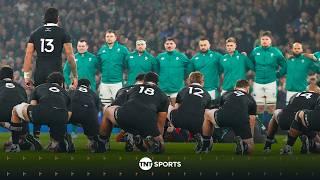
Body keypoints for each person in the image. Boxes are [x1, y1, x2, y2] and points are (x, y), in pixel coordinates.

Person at [23, 7, 78, 139]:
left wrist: (26, 76)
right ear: (57, 19)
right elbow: (70, 56)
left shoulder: (35, 33)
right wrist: (75, 75)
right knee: (59, 101)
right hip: (56, 73)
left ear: (44, 19)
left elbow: (29, 54)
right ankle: (59, 135)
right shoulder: (63, 33)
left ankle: (35, 133)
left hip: (40, 72)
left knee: (37, 100)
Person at [99, 72, 169, 153]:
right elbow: (160, 123)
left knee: (108, 111)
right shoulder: (163, 96)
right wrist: (157, 136)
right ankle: (142, 143)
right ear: (158, 83)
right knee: (160, 148)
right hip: (147, 121)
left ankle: (102, 143)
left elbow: (120, 104)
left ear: (144, 81)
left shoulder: (134, 88)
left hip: (127, 115)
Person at [5, 72, 74, 153]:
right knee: (57, 124)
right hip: (60, 117)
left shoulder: (39, 87)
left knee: (16, 110)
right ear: (62, 83)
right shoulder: (66, 93)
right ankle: (57, 142)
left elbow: (33, 105)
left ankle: (16, 143)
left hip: (40, 113)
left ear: (47, 82)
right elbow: (68, 116)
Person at [201, 80, 257, 155]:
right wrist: (250, 138)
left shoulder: (227, 94)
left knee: (207, 113)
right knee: (250, 150)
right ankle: (245, 145)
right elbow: (252, 119)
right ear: (248, 88)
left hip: (224, 117)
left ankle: (206, 145)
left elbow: (215, 106)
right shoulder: (251, 99)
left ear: (235, 87)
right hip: (241, 120)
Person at [167, 72, 211, 152]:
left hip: (180, 121)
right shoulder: (207, 94)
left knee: (168, 106)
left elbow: (177, 108)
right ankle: (204, 139)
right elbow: (206, 114)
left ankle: (173, 129)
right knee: (207, 116)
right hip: (198, 124)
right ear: (202, 81)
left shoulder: (183, 90)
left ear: (189, 81)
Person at [249, 31, 286, 122]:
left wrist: (278, 74)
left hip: (271, 82)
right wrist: (256, 70)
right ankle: (260, 130)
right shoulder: (255, 51)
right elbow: (250, 63)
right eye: (263, 39)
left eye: (266, 39)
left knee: (271, 107)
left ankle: (270, 130)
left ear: (270, 41)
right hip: (258, 82)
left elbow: (285, 65)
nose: (264, 41)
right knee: (259, 107)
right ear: (260, 40)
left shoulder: (276, 52)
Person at [68, 79, 105, 153]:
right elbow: (97, 111)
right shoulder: (94, 94)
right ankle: (93, 140)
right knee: (91, 122)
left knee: (59, 119)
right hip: (90, 117)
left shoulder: (71, 92)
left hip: (73, 116)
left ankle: (62, 139)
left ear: (78, 86)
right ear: (89, 86)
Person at [97, 30, 129, 106]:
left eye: (111, 36)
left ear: (115, 38)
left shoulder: (123, 49)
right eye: (107, 36)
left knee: (118, 105)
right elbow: (99, 65)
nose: (109, 38)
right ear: (105, 38)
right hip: (104, 82)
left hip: (117, 82)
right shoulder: (102, 50)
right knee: (105, 105)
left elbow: (126, 64)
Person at [156, 38, 191, 105]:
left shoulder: (181, 56)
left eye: (171, 44)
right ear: (164, 45)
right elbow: (156, 70)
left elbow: (189, 67)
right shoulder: (159, 57)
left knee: (176, 110)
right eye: (167, 44)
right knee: (162, 111)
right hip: (163, 88)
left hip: (177, 88)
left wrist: (185, 77)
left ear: (175, 45)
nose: (169, 45)